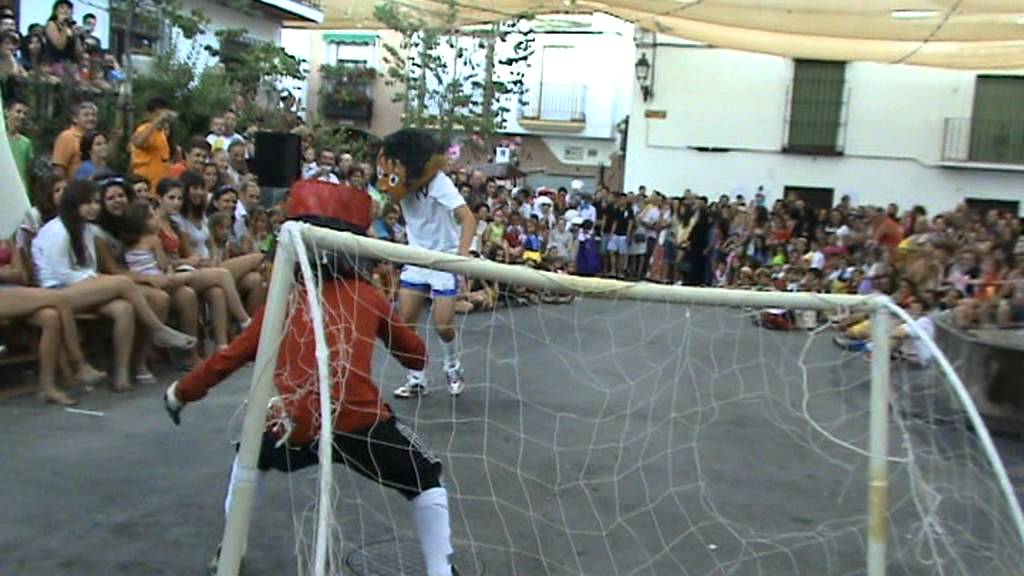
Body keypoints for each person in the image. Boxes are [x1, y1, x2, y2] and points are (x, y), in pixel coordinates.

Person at [162, 180, 459, 576]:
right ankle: (441, 570)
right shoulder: (366, 295)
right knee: (426, 478)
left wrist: (181, 392)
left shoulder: (283, 297)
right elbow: (416, 356)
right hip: (360, 421)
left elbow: (229, 357)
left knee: (247, 455)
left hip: (293, 421)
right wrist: (396, 323)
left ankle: (231, 549)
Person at [31, 180, 197, 391]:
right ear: (74, 204)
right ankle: (158, 329)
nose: (94, 207)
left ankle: (122, 373)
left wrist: (95, 278)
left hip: (82, 287)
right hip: (56, 291)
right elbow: (61, 273)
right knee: (121, 282)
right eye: (88, 203)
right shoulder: (58, 231)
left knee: (125, 308)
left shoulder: (88, 230)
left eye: (95, 202)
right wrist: (97, 279)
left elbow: (89, 266)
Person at [377, 129, 476, 398]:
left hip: (444, 259)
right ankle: (417, 376)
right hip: (417, 258)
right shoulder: (399, 186)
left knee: (443, 326)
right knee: (405, 323)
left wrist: (462, 255)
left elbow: (468, 218)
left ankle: (452, 365)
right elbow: (383, 203)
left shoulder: (439, 183)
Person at [130, 97, 174, 192]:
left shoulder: (162, 134)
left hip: (159, 187)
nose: (161, 119)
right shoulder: (144, 129)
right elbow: (138, 143)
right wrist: (155, 123)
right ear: (149, 115)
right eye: (157, 115)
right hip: (145, 187)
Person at [52, 101, 97, 179]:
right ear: (75, 119)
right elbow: (59, 167)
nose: (91, 118)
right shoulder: (67, 137)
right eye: (86, 115)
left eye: (93, 115)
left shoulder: (95, 137)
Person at [5, 97, 32, 191]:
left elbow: (26, 173)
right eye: (18, 112)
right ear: (7, 112)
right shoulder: (2, 139)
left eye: (25, 114)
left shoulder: (26, 143)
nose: (22, 116)